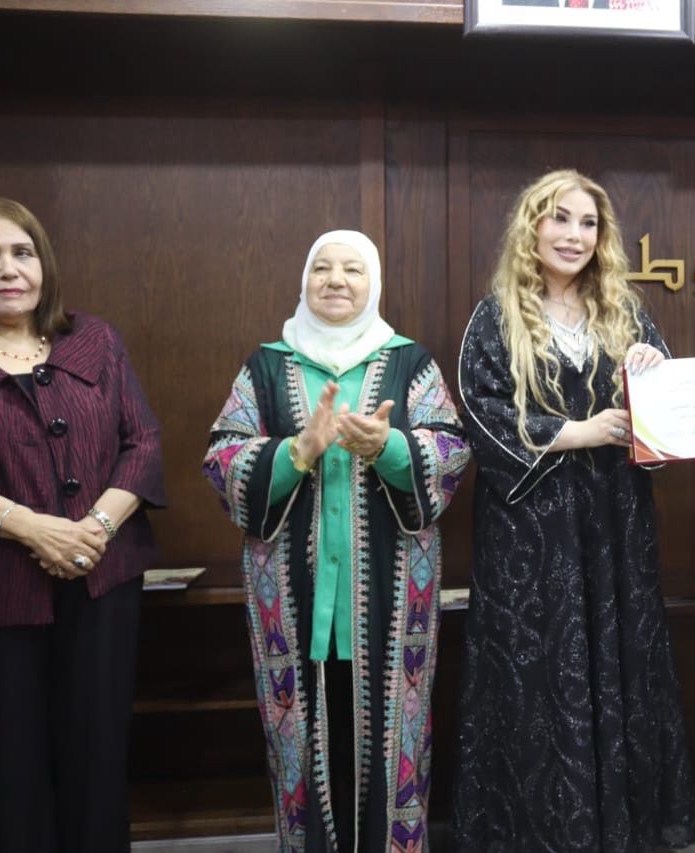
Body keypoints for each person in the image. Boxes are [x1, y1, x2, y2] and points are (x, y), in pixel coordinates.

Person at [202, 230, 470, 852]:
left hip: (390, 597)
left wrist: (390, 448)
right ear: (305, 281)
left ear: (372, 283)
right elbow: (221, 457)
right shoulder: (266, 365)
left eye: (352, 269)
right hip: (293, 597)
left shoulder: (409, 362)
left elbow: (452, 450)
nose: (336, 280)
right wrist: (297, 451)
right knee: (300, 745)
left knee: (393, 740)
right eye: (321, 268)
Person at [453, 169, 695, 852]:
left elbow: (667, 420)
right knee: (538, 668)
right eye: (559, 218)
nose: (574, 235)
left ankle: (619, 829)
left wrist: (650, 367)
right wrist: (576, 432)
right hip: (532, 535)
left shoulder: (627, 314)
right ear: (532, 227)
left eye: (588, 223)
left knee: (621, 659)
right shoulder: (496, 316)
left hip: (617, 526)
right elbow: (481, 414)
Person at [0, 198, 166, 852]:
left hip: (103, 581)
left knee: (97, 757)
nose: (8, 269)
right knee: (13, 764)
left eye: (21, 252)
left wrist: (94, 526)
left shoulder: (95, 339)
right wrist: (32, 528)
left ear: (43, 262)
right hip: (6, 590)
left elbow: (143, 442)